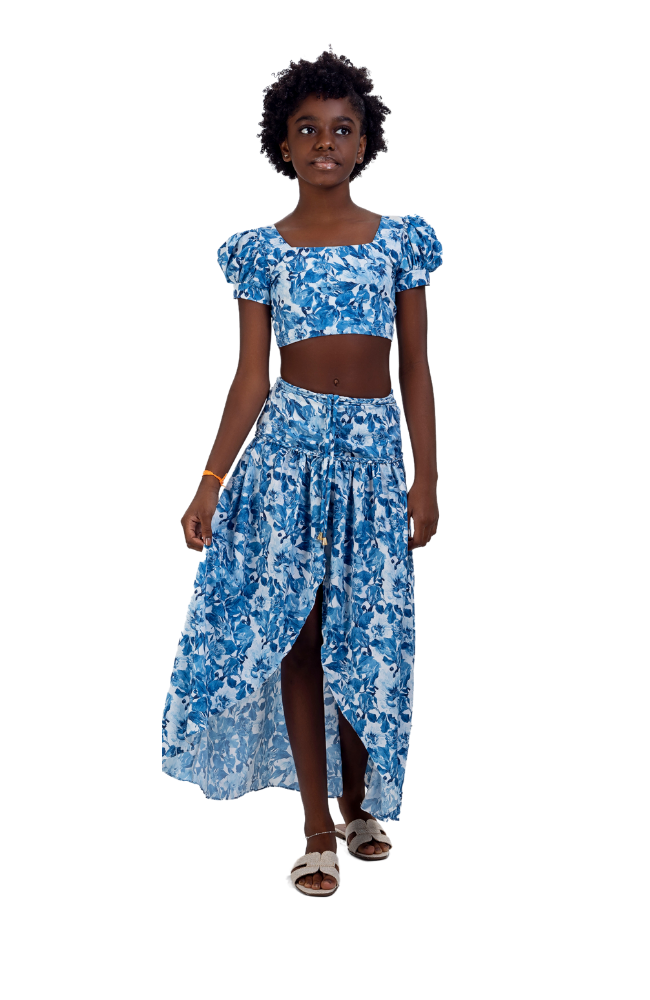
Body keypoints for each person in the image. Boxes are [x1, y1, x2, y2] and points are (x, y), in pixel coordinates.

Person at [161, 50, 443, 897]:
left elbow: (416, 369)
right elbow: (252, 377)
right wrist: (211, 478)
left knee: (367, 633)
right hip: (286, 460)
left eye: (342, 129)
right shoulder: (263, 252)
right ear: (283, 144)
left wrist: (427, 479)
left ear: (365, 142)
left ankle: (360, 801)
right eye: (308, 129)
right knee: (301, 631)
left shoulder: (398, 242)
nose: (325, 142)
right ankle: (317, 823)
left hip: (372, 460)